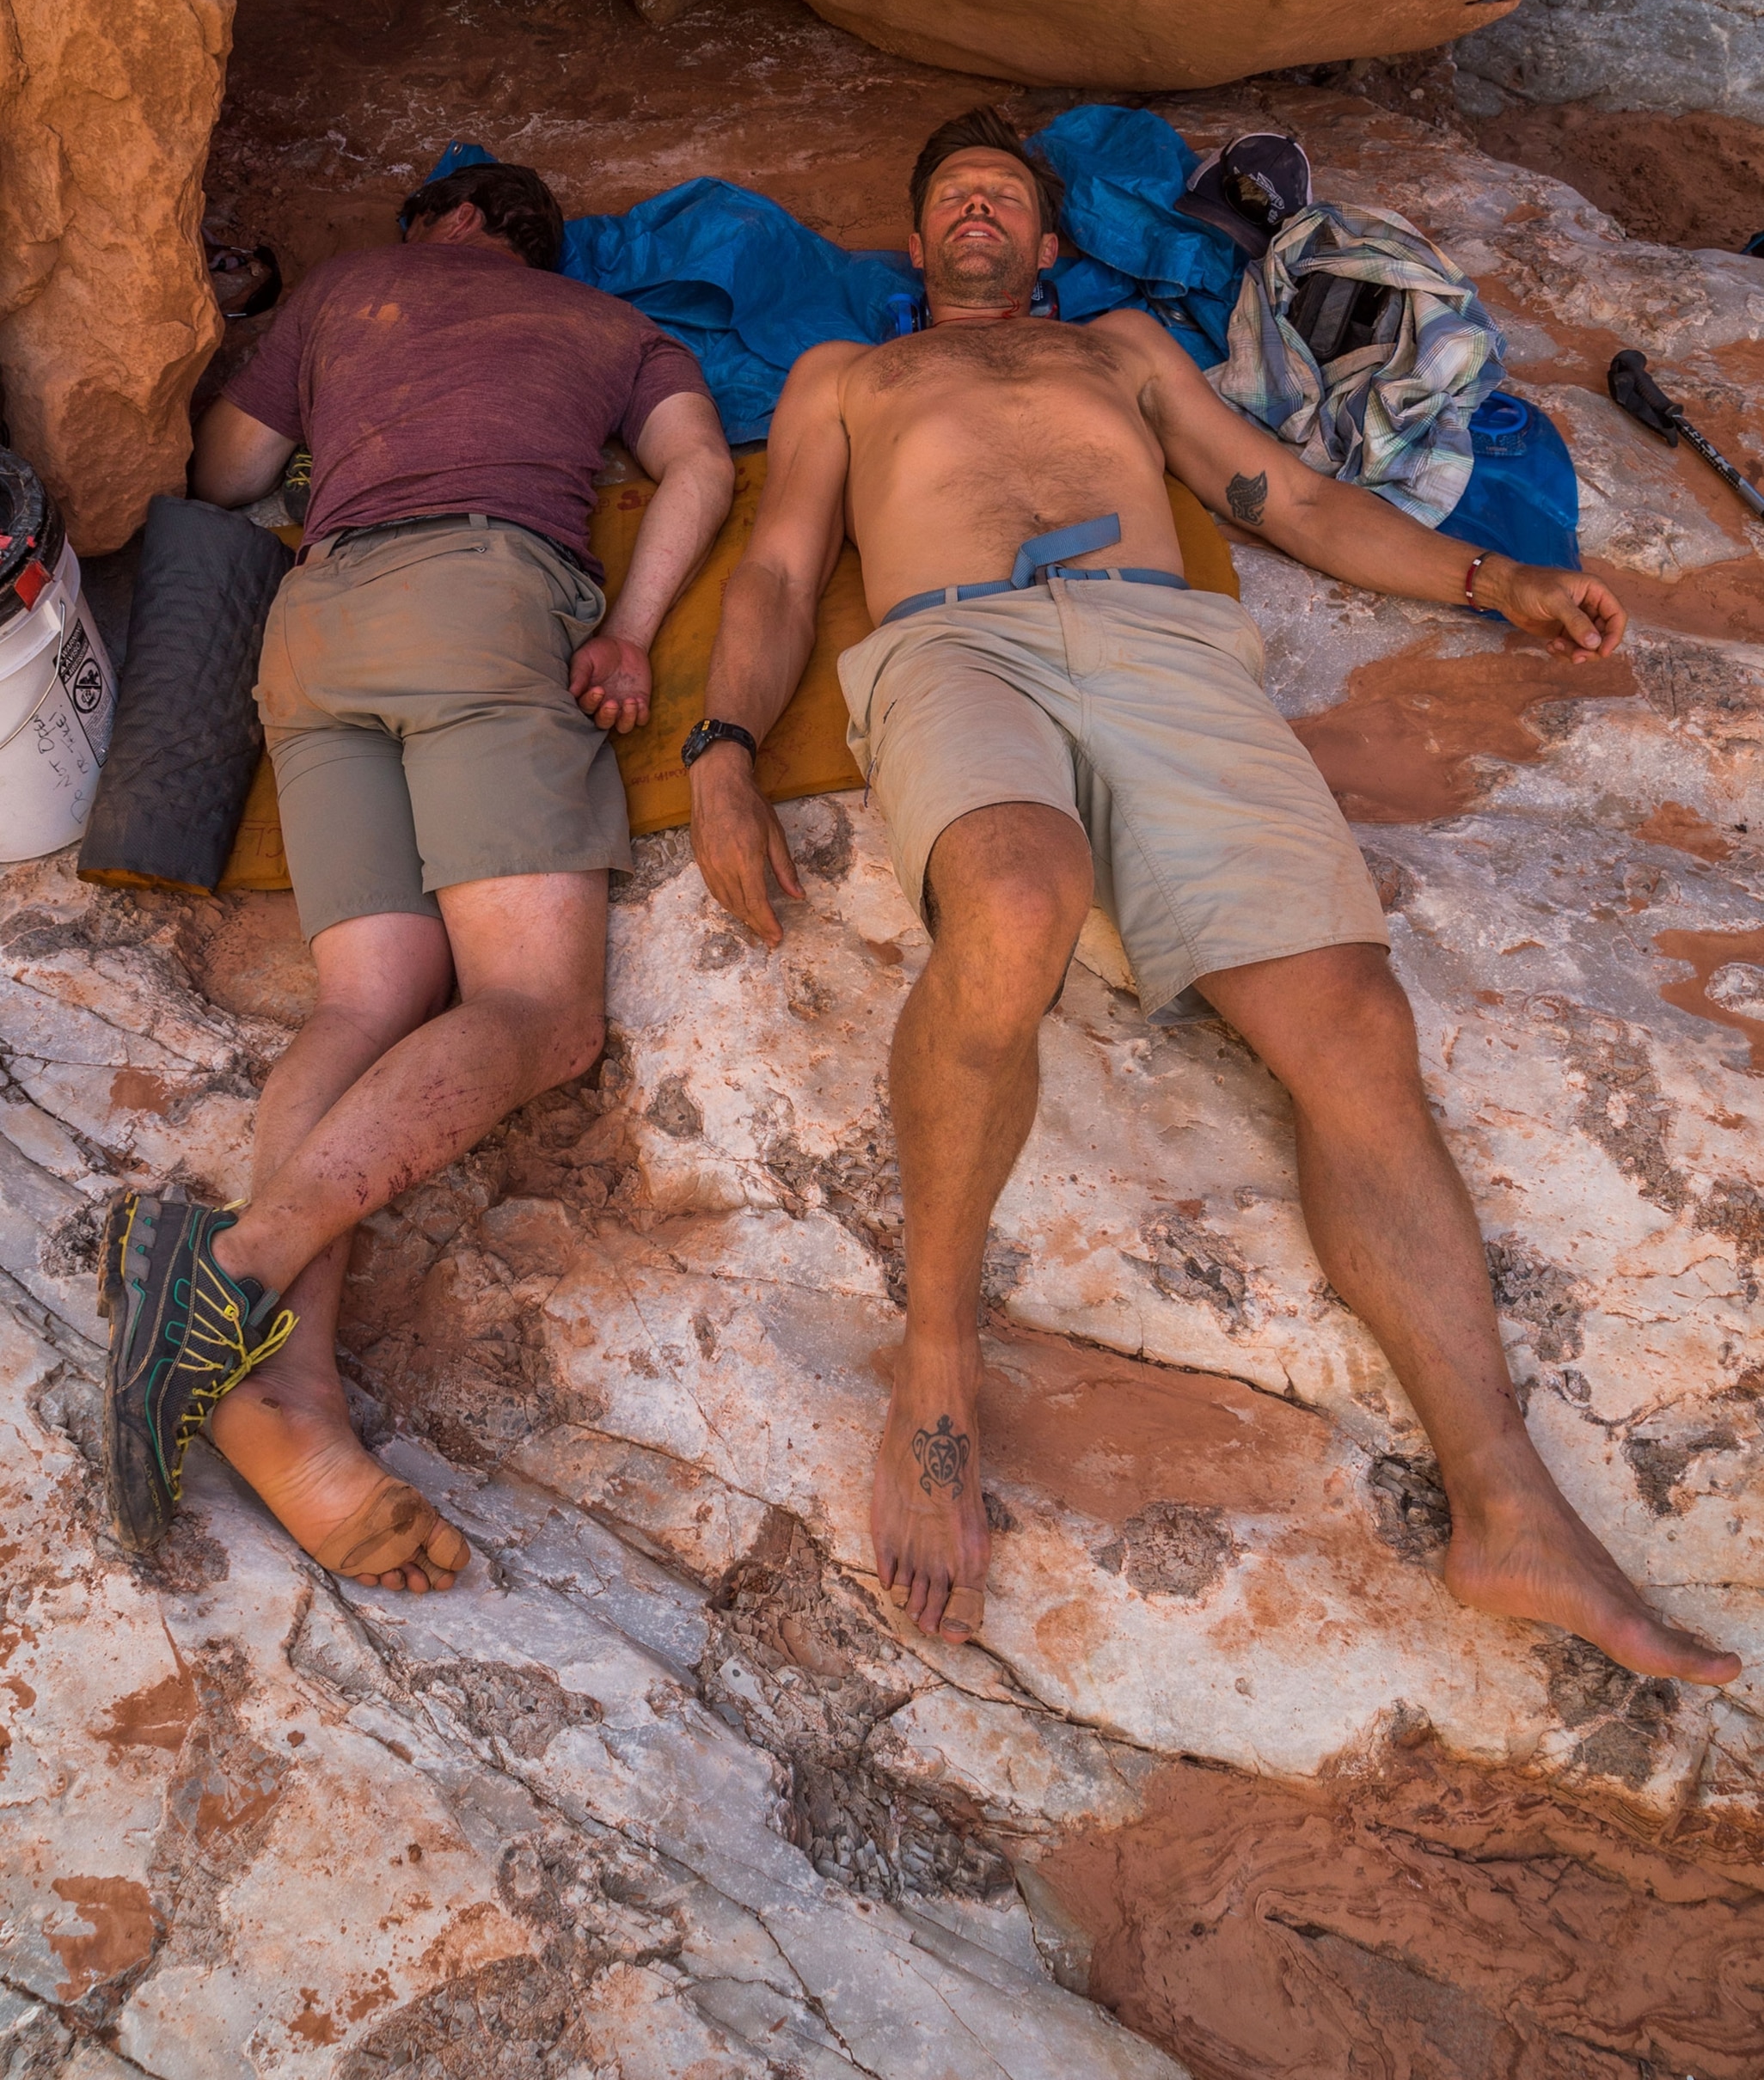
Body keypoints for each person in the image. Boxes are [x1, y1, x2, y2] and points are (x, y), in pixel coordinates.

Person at [684, 105, 1740, 1686]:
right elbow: (774, 569)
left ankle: (1505, 1499)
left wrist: (1490, 578)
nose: (976, 213)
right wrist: (718, 748)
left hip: (1163, 646)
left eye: (1005, 200)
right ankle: (942, 1364)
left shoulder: (1115, 348)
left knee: (1352, 1017)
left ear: (1047, 247)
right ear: (914, 248)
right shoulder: (852, 379)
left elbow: (1284, 499)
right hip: (955, 646)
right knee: (1020, 906)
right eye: (950, 197)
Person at [104, 162, 734, 1592]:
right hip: (482, 599)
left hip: (313, 627)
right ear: (534, 244)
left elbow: (227, 476)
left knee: (366, 996)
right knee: (540, 1010)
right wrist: (628, 632)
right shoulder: (607, 325)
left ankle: (287, 1400)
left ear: (435, 222)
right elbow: (697, 465)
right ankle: (232, 1267)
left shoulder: (344, 290)